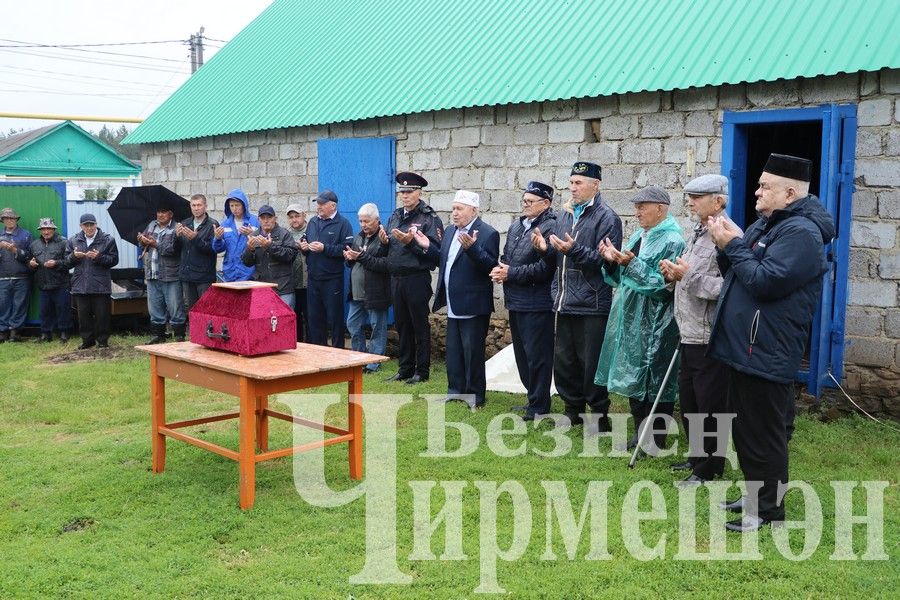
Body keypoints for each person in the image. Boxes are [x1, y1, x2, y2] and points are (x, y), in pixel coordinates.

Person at [707, 154, 834, 532]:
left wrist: (734, 245)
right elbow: (738, 274)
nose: (757, 191)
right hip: (746, 347)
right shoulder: (769, 225)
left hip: (766, 348)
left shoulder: (801, 234)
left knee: (765, 433)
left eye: (765, 186)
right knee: (747, 429)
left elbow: (765, 282)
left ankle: (767, 511)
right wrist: (724, 245)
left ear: (790, 192)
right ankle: (755, 495)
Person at [531, 162, 622, 431]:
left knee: (590, 362)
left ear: (596, 185)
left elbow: (608, 263)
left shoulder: (608, 217)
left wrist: (575, 250)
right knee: (565, 361)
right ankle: (572, 410)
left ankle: (598, 416)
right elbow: (558, 255)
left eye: (579, 183)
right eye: (571, 182)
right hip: (564, 301)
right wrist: (544, 249)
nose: (573, 188)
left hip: (592, 302)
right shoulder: (564, 215)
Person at [595, 186, 685, 452]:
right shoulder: (639, 235)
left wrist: (629, 264)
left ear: (660, 208)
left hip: (656, 319)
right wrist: (611, 261)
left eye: (642, 206)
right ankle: (639, 434)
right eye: (636, 207)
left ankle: (655, 439)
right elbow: (620, 277)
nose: (637, 212)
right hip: (630, 318)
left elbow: (662, 285)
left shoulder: (672, 240)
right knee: (635, 377)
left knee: (656, 379)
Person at [658, 174, 730, 485]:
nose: (690, 202)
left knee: (709, 405)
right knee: (689, 400)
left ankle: (710, 468)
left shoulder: (726, 235)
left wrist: (686, 277)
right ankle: (697, 458)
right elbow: (689, 273)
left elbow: (729, 287)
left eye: (697, 197)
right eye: (689, 196)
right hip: (687, 330)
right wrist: (673, 273)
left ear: (719, 200)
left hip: (708, 333)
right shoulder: (697, 233)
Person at [490, 181, 557, 420]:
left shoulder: (551, 226)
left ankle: (539, 406)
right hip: (515, 299)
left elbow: (545, 268)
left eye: (531, 202)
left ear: (546, 203)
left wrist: (511, 273)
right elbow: (508, 257)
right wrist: (501, 270)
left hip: (537, 302)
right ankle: (533, 399)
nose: (525, 205)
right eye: (524, 201)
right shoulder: (518, 225)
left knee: (537, 356)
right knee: (522, 355)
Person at [429, 190, 499, 409]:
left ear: (474, 210)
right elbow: (443, 260)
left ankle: (476, 396)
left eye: (459, 209)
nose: (454, 213)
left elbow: (490, 266)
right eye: (453, 209)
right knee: (454, 351)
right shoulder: (450, 231)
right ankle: (455, 391)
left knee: (473, 352)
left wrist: (472, 248)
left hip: (474, 304)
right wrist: (421, 245)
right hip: (453, 301)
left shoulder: (488, 233)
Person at [381, 171, 444, 384]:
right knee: (402, 325)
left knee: (419, 325)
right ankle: (405, 368)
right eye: (402, 192)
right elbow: (391, 247)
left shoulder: (429, 218)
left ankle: (422, 370)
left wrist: (412, 244)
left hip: (417, 278)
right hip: (396, 278)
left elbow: (436, 253)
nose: (405, 195)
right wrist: (384, 242)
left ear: (419, 193)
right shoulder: (396, 215)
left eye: (409, 192)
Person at [301, 190, 353, 347]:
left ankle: (338, 352)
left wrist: (325, 248)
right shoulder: (312, 222)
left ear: (333, 205)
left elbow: (346, 249)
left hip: (332, 279)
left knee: (335, 319)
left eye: (322, 204)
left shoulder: (343, 224)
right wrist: (304, 246)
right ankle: (319, 352)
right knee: (315, 318)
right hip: (313, 278)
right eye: (318, 203)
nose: (319, 206)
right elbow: (305, 239)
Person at [343, 203, 391, 373]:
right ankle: (359, 357)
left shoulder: (385, 238)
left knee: (377, 326)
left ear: (377, 220)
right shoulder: (358, 237)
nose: (363, 224)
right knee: (352, 324)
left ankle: (374, 362)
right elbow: (355, 261)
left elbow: (385, 265)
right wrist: (349, 258)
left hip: (376, 291)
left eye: (367, 221)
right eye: (361, 221)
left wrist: (361, 256)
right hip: (356, 291)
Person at [65, 213, 119, 349]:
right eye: (86, 225)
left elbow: (114, 260)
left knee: (102, 316)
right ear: (81, 226)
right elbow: (66, 262)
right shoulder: (73, 240)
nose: (89, 228)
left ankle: (102, 341)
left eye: (91, 225)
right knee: (83, 316)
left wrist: (99, 257)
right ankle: (87, 341)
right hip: (80, 284)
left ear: (96, 224)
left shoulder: (108, 240)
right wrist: (74, 256)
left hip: (100, 285)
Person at [138, 203, 186, 344]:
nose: (160, 215)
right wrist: (142, 240)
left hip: (171, 275)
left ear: (171, 214)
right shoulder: (152, 225)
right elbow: (145, 244)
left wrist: (155, 244)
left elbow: (172, 250)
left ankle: (179, 336)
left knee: (175, 308)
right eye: (158, 211)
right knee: (154, 308)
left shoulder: (177, 228)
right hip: (152, 273)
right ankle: (158, 335)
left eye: (164, 212)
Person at [241, 205, 298, 307]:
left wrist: (270, 246)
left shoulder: (284, 234)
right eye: (263, 218)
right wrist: (250, 249)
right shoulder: (254, 235)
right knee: (263, 321)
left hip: (283, 288)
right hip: (262, 288)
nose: (266, 221)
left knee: (284, 321)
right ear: (258, 220)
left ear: (275, 218)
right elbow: (246, 262)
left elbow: (291, 255)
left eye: (269, 217)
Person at [28, 218, 72, 342]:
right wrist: (30, 264)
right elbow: (30, 264)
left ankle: (64, 333)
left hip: (60, 283)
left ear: (53, 229)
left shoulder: (63, 242)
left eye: (49, 229)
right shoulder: (34, 244)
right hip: (43, 284)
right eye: (43, 229)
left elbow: (70, 262)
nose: (46, 231)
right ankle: (45, 334)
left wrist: (56, 263)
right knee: (44, 311)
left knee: (63, 309)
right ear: (40, 230)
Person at [176, 193, 219, 312]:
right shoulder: (185, 223)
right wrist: (177, 237)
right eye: (193, 205)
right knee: (191, 310)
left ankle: (206, 331)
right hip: (187, 275)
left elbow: (213, 249)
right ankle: (193, 331)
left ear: (205, 206)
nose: (196, 208)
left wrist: (195, 239)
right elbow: (177, 249)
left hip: (204, 277)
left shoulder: (212, 225)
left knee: (206, 310)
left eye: (199, 205)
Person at [0, 207, 34, 342]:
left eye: (12, 218)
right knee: (2, 305)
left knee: (20, 305)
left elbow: (31, 256)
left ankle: (15, 332)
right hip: (2, 277)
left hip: (22, 277)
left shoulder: (26, 235)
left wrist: (15, 250)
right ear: (2, 220)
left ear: (16, 219)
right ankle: (2, 332)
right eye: (6, 218)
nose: (9, 220)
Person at [211, 189, 258, 282]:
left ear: (244, 205)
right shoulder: (225, 224)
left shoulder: (255, 221)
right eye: (231, 205)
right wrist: (218, 238)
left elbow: (262, 245)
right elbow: (218, 249)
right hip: (230, 273)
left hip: (249, 273)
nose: (234, 208)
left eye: (237, 205)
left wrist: (251, 235)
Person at [286, 204, 309, 341]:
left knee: (310, 316)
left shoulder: (312, 230)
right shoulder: (286, 234)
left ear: (304, 215)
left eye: (297, 216)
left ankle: (312, 347)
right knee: (295, 316)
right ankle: (298, 344)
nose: (294, 220)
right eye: (291, 217)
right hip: (293, 283)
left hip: (308, 282)